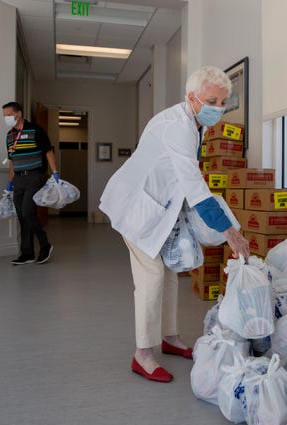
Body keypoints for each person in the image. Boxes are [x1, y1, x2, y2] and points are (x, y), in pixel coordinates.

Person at [100, 66, 250, 383]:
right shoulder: (177, 127)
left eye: (223, 102)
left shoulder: (194, 123)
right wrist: (231, 232)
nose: (218, 109)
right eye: (212, 100)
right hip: (137, 209)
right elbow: (195, 186)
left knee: (169, 274)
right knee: (152, 276)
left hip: (160, 207)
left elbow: (181, 178)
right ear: (192, 97)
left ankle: (169, 338)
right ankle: (142, 354)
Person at [2, 102, 58, 265]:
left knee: (28, 211)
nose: (6, 118)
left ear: (18, 114)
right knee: (21, 216)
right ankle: (27, 253)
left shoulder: (36, 130)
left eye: (8, 115)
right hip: (18, 178)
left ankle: (45, 245)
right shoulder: (9, 135)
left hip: (35, 176)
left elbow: (48, 151)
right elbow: (12, 160)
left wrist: (55, 173)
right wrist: (9, 183)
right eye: (4, 115)